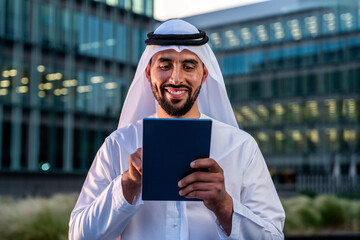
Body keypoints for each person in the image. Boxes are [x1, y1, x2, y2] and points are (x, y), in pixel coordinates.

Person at [69, 19, 285, 240]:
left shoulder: (241, 147)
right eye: (165, 66)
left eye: (188, 67)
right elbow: (79, 235)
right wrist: (128, 184)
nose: (176, 78)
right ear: (148, 73)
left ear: (204, 75)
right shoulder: (118, 144)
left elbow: (274, 236)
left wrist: (224, 205)